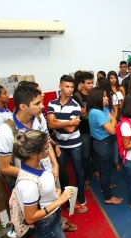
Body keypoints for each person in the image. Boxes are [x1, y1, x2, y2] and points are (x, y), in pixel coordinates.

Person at [12, 130, 75, 238]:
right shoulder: (28, 184)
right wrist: (59, 200)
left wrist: (54, 192)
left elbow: (41, 192)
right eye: (46, 147)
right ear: (33, 154)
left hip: (52, 218)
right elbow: (30, 217)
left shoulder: (35, 165)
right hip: (46, 225)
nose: (49, 150)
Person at [47, 75, 87, 207]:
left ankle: (80, 193)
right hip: (60, 144)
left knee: (78, 170)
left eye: (71, 87)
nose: (69, 90)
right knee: (62, 172)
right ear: (60, 87)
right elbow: (50, 125)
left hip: (75, 143)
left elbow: (70, 130)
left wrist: (56, 122)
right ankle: (65, 198)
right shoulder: (52, 103)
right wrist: (69, 121)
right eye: (66, 86)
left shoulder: (75, 106)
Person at [87, 87, 123, 205]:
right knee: (106, 170)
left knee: (104, 169)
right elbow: (113, 130)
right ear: (97, 98)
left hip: (103, 142)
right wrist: (111, 125)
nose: (107, 98)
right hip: (104, 144)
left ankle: (105, 187)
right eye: (104, 96)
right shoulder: (97, 112)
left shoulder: (101, 109)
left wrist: (111, 124)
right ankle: (108, 197)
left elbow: (114, 120)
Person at [71, 72, 100, 189]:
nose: (91, 85)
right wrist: (91, 103)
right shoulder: (76, 97)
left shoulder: (94, 93)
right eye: (88, 83)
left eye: (92, 83)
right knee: (86, 155)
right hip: (84, 130)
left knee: (96, 152)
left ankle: (96, 171)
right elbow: (82, 114)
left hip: (96, 129)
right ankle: (87, 177)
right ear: (81, 84)